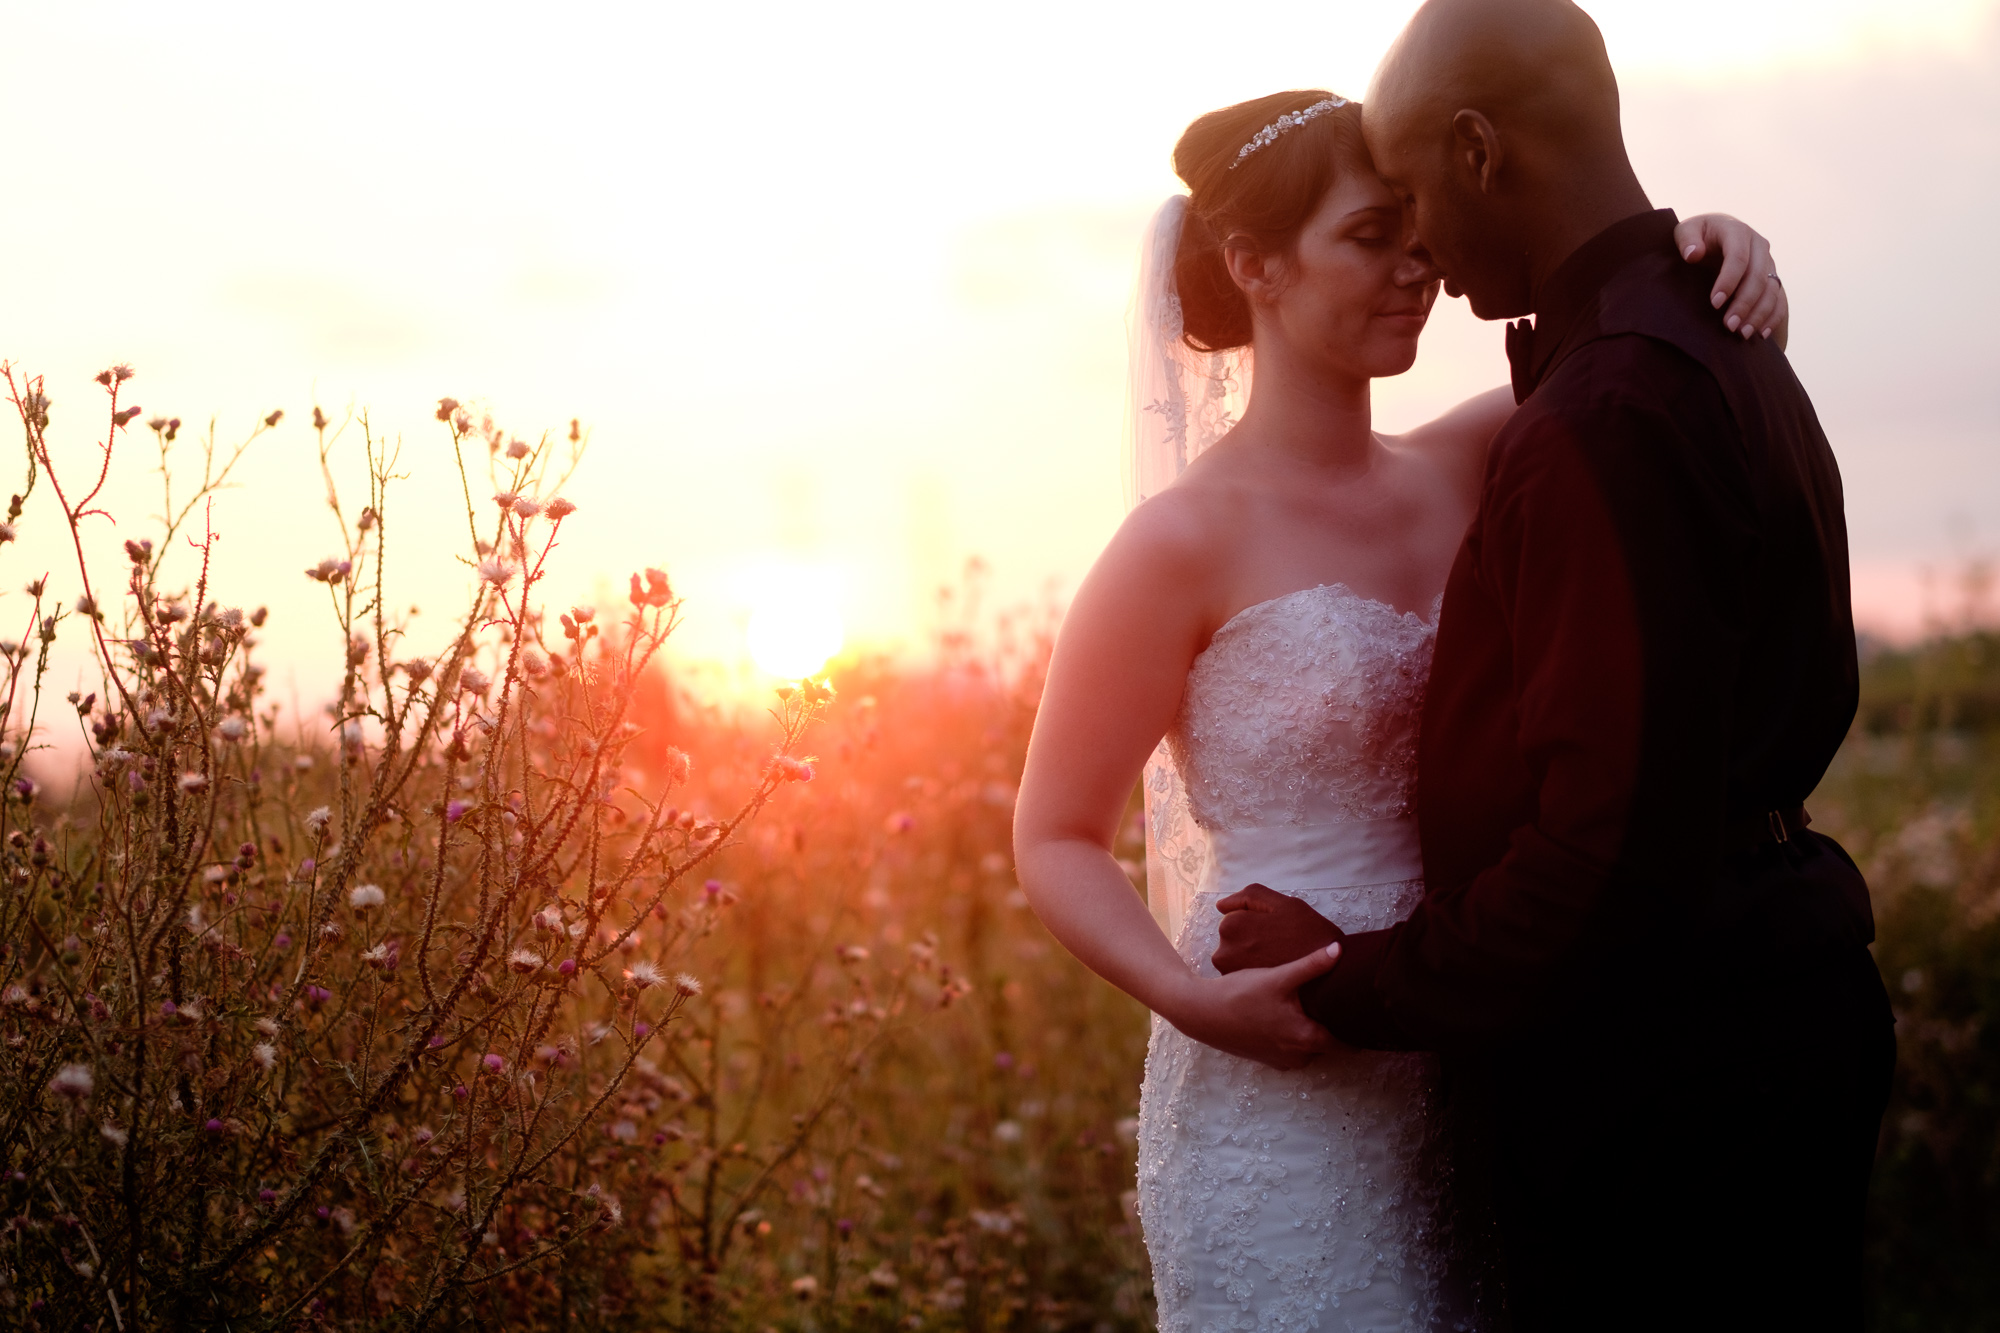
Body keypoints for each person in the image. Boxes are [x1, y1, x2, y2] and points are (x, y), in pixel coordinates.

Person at [1012, 72, 1788, 1331]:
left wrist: (1714, 252)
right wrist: (1188, 995)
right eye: (1370, 238)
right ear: (1253, 266)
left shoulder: (1468, 457)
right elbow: (1049, 837)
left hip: (1478, 1045)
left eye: (1415, 233)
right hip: (1284, 1079)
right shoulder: (1175, 546)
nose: (1416, 268)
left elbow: (1631, 359)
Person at [1209, 2, 1896, 1329]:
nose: (1419, 244)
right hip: (1760, 1003)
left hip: (1667, 1070)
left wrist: (1351, 976)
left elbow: (1605, 852)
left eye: (1413, 194)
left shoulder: (1612, 410)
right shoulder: (1706, 342)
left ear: (1477, 149)